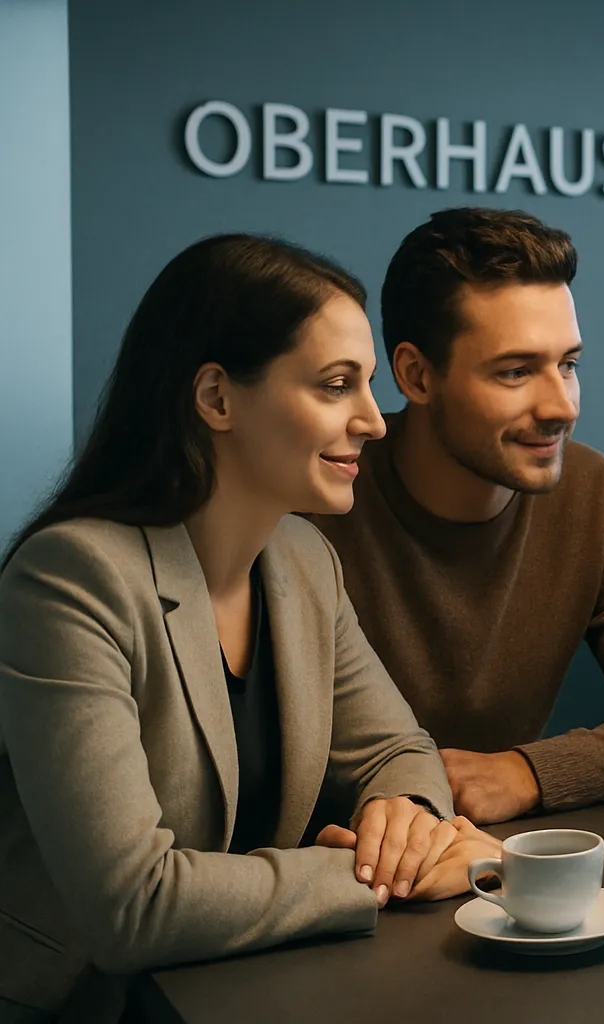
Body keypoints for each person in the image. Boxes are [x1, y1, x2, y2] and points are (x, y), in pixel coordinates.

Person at [0, 235, 500, 1021]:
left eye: (368, 385)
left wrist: (408, 822)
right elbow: (134, 908)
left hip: (248, 986)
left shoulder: (302, 559)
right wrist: (379, 878)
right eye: (337, 386)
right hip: (86, 1006)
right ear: (217, 398)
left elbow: (399, 751)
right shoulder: (70, 579)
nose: (374, 419)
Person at [309, 208, 604, 826]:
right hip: (332, 868)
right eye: (516, 372)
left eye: (568, 365)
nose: (561, 405)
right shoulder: (317, 501)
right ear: (416, 375)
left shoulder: (590, 494)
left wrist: (528, 772)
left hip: (497, 863)